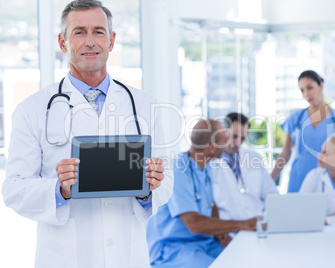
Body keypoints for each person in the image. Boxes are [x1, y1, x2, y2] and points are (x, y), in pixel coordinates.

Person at [2, 1, 173, 267]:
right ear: (63, 42)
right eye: (79, 32)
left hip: (127, 257)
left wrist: (148, 189)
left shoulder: (145, 105)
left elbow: (167, 179)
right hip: (64, 257)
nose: (90, 41)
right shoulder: (32, 109)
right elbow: (13, 188)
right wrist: (59, 190)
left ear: (112, 41)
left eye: (99, 32)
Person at [146, 119, 256, 268]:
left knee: (244, 260)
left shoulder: (207, 167)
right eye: (225, 140)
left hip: (203, 242)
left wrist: (219, 232)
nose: (229, 144)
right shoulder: (178, 170)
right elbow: (194, 224)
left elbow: (211, 204)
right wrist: (243, 224)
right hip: (174, 248)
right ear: (211, 148)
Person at [271, 70, 335, 192]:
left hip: (327, 179)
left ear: (321, 85)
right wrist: (270, 179)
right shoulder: (296, 117)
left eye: (309, 88)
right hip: (298, 177)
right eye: (302, 90)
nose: (306, 94)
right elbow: (285, 153)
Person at [209, 113, 278, 221]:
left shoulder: (254, 158)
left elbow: (271, 195)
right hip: (229, 228)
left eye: (242, 138)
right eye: (234, 136)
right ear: (223, 132)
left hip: (258, 223)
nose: (238, 143)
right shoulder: (210, 163)